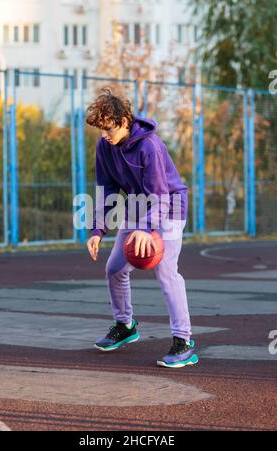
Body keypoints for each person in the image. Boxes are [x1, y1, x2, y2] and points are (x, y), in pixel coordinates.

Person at [85, 88, 198, 368]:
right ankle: (125, 325)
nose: (104, 136)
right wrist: (97, 230)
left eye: (108, 129)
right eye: (100, 130)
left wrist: (147, 229)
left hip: (168, 207)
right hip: (138, 207)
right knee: (114, 269)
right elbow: (107, 189)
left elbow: (159, 195)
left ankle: (183, 341)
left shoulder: (150, 146)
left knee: (165, 270)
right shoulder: (105, 147)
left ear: (124, 121)